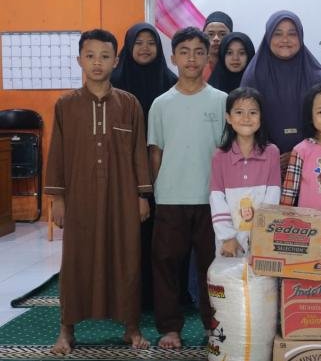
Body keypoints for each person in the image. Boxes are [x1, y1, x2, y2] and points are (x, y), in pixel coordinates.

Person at [46, 29, 152, 354]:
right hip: (79, 196)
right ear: (79, 59)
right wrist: (58, 199)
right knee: (75, 260)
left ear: (115, 61)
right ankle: (67, 329)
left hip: (122, 197)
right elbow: (57, 154)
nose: (97, 63)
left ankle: (131, 327)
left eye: (105, 56)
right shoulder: (66, 105)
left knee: (127, 258)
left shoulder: (129, 104)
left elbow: (138, 152)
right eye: (90, 56)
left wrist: (142, 195)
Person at [148, 27, 227, 349]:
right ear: (173, 58)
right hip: (170, 197)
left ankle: (213, 324)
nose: (191, 58)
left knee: (213, 267)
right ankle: (170, 328)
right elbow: (156, 152)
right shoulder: (161, 104)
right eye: (184, 51)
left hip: (212, 200)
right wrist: (156, 191)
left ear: (208, 57)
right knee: (167, 265)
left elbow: (226, 152)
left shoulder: (221, 101)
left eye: (198, 51)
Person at [110, 22, 177, 310]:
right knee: (126, 235)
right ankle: (123, 296)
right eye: (139, 42)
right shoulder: (114, 83)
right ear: (128, 46)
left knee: (159, 236)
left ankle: (157, 295)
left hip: (163, 169)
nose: (145, 48)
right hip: (122, 170)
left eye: (151, 42)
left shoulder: (171, 82)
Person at [240, 10, 321, 171]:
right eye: (278, 34)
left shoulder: (317, 76)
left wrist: (300, 154)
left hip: (311, 164)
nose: (285, 40)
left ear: (300, 36)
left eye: (292, 34)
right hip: (263, 165)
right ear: (268, 37)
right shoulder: (254, 76)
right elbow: (244, 123)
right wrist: (270, 154)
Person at [210, 87, 281, 257]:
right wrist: (227, 237)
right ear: (228, 117)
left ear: (261, 117)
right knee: (228, 274)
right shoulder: (220, 156)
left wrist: (261, 235)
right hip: (229, 243)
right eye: (239, 112)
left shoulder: (272, 153)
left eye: (253, 112)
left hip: (262, 240)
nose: (246, 118)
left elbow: (272, 198)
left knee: (261, 275)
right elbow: (216, 199)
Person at [202, 11, 233, 81]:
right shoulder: (196, 67)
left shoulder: (237, 65)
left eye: (222, 34)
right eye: (211, 34)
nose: (216, 38)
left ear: (231, 36)